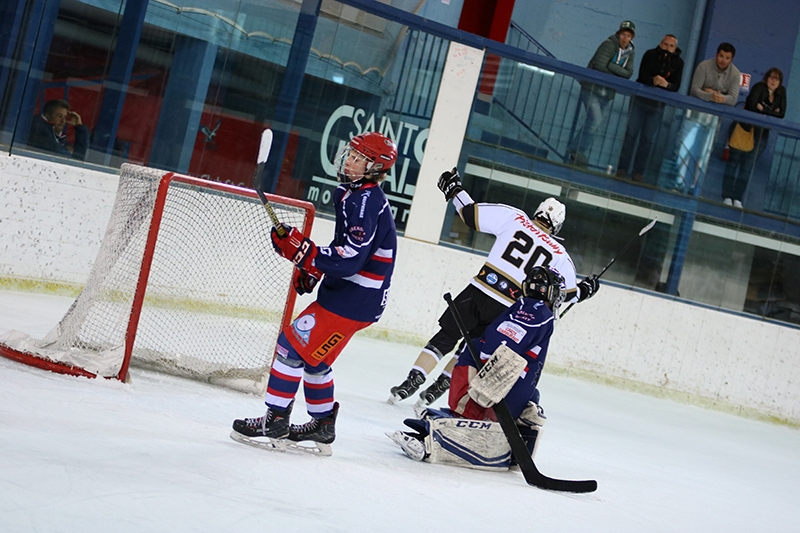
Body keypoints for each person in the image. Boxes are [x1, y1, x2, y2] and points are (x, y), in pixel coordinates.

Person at [231, 131, 398, 455]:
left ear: (375, 167)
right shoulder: (352, 193)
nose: (348, 161)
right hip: (355, 296)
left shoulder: (365, 200)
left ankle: (274, 419)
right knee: (314, 359)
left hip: (354, 298)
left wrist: (306, 253)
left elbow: (352, 258)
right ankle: (322, 425)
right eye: (349, 154)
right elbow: (343, 249)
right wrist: (315, 267)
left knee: (289, 348)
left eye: (357, 158)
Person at [387, 168, 599, 407]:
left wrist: (455, 189)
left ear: (537, 211)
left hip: (478, 291)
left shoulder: (515, 218)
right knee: (470, 348)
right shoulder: (560, 255)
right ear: (558, 226)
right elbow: (567, 295)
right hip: (508, 309)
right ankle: (436, 389)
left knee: (446, 337)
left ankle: (411, 382)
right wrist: (587, 289)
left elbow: (470, 214)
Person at [387, 266, 566, 470]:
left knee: (533, 399)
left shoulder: (521, 305)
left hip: (474, 378)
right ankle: (435, 443)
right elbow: (506, 343)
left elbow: (499, 341)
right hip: (485, 388)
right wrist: (491, 374)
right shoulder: (541, 314)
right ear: (550, 292)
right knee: (490, 414)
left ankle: (462, 428)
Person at [667, 43, 740, 194]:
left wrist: (718, 97)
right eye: (721, 56)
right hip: (694, 116)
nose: (723, 60)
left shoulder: (735, 74)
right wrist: (710, 95)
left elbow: (732, 99)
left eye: (727, 58)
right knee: (685, 149)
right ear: (716, 54)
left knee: (703, 154)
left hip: (713, 120)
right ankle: (678, 184)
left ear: (731, 59)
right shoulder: (704, 66)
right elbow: (694, 90)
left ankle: (694, 188)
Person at [567, 21, 636, 167]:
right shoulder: (609, 44)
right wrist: (616, 72)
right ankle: (575, 150)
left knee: (595, 124)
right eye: (623, 34)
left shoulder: (631, 51)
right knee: (594, 121)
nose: (625, 38)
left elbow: (629, 73)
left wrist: (611, 66)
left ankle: (577, 151)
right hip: (591, 88)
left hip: (607, 93)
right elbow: (599, 65)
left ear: (631, 38)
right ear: (619, 33)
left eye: (628, 36)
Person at [616, 34, 684, 182]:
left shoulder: (678, 63)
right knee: (630, 134)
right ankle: (621, 169)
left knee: (647, 139)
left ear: (675, 48)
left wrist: (666, 85)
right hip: (640, 101)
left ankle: (638, 172)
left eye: (671, 46)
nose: (667, 48)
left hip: (658, 105)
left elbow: (676, 86)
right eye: (665, 44)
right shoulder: (650, 54)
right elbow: (642, 76)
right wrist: (653, 80)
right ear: (660, 43)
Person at [722, 68, 786, 208]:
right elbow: (751, 105)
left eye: (777, 78)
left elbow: (781, 114)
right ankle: (726, 196)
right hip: (746, 130)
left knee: (747, 167)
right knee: (734, 162)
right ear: (766, 78)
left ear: (780, 82)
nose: (773, 80)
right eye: (771, 77)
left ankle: (737, 198)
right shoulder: (759, 87)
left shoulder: (781, 94)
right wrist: (770, 113)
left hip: (761, 135)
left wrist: (763, 109)